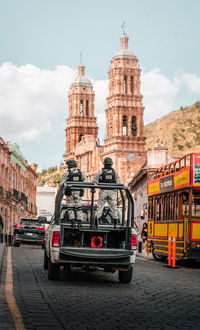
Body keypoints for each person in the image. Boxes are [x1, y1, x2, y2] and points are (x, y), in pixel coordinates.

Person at [92, 157, 121, 228]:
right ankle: (115, 222)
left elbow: (94, 181)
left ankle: (97, 220)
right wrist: (116, 189)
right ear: (111, 164)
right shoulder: (115, 173)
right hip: (111, 192)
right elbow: (118, 183)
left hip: (103, 191)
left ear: (104, 164)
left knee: (100, 206)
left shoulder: (101, 172)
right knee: (113, 207)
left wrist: (95, 187)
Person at [59, 160, 86, 226]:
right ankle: (79, 222)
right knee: (79, 207)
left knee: (70, 207)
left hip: (70, 193)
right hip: (78, 193)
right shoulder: (81, 173)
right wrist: (82, 190)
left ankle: (73, 222)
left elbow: (61, 183)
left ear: (69, 166)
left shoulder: (67, 173)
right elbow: (85, 182)